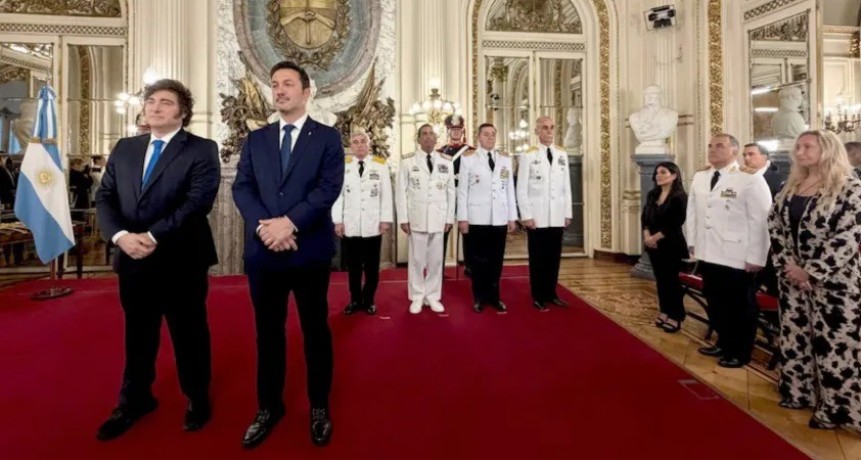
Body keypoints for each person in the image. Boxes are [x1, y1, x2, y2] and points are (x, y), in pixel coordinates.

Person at [94, 79, 220, 440]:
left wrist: (151, 236)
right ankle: (134, 400)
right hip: (132, 259)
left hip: (181, 259)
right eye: (151, 100)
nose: (156, 106)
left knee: (189, 333)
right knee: (138, 335)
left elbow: (197, 203)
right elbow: (105, 197)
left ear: (182, 112)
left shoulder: (201, 149)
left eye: (166, 102)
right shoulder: (125, 147)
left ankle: (197, 396)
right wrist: (121, 237)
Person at [232, 60, 343, 448]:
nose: (279, 90)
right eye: (274, 84)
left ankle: (318, 407)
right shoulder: (257, 139)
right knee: (268, 334)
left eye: (288, 84)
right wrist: (267, 226)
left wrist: (289, 224)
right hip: (265, 254)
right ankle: (268, 407)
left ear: (306, 91)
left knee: (315, 332)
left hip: (308, 251)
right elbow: (242, 188)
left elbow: (327, 189)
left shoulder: (327, 138)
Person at [768, 129, 861, 431]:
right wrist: (789, 267)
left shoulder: (849, 188)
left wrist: (813, 271)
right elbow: (774, 227)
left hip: (835, 284)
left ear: (828, 150)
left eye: (808, 146)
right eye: (798, 146)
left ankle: (838, 409)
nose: (800, 151)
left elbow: (848, 236)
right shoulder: (789, 185)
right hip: (792, 280)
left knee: (835, 345)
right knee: (795, 338)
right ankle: (798, 392)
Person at [685, 133, 772, 368]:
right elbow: (692, 213)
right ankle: (723, 342)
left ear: (734, 150)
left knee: (740, 307)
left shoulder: (748, 178)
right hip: (708, 251)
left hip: (737, 255)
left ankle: (740, 352)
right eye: (710, 146)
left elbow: (761, 220)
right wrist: (692, 243)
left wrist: (756, 256)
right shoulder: (701, 176)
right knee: (716, 302)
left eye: (720, 146)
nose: (713, 150)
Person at [457, 123, 517, 313]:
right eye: (486, 134)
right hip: (477, 218)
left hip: (498, 217)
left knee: (496, 261)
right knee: (478, 261)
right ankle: (479, 298)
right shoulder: (469, 159)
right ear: (478, 137)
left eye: (493, 134)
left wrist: (512, 217)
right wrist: (463, 219)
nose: (490, 138)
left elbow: (509, 190)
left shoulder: (504, 159)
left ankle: (495, 297)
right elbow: (462, 192)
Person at [332, 128, 393, 315]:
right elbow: (338, 197)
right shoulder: (343, 166)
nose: (359, 145)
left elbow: (386, 196)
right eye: (356, 142)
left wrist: (385, 220)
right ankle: (355, 300)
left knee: (372, 268)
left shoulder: (380, 165)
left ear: (368, 144)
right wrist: (338, 221)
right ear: (351, 146)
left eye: (362, 141)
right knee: (354, 268)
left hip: (372, 225)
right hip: (351, 225)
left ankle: (369, 300)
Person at [396, 123, 455, 314]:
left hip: (438, 218)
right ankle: (417, 296)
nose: (428, 137)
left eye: (431, 134)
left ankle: (433, 296)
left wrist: (449, 218)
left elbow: (451, 192)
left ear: (436, 139)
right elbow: (400, 193)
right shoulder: (408, 161)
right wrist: (403, 218)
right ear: (419, 138)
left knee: (436, 261)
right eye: (424, 134)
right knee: (416, 261)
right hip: (417, 217)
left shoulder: (446, 161)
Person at [515, 116, 572, 311]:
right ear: (536, 131)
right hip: (537, 216)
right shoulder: (529, 155)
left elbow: (566, 187)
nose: (549, 131)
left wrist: (568, 212)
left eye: (551, 128)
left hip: (556, 215)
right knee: (538, 258)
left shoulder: (562, 153)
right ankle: (538, 295)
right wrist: (526, 215)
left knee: (554, 257)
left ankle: (551, 293)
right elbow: (521, 188)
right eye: (544, 128)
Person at [641, 162, 688, 332]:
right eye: (657, 173)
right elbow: (645, 217)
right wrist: (647, 235)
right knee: (661, 281)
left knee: (672, 282)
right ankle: (665, 311)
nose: (658, 175)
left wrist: (655, 237)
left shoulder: (680, 197)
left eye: (663, 172)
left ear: (674, 175)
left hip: (671, 245)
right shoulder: (653, 194)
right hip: (654, 246)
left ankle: (676, 315)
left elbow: (676, 222)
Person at [438, 114, 473, 275]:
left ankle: (470, 265)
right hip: (446, 195)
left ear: (463, 130)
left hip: (466, 194)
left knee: (468, 232)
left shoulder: (471, 151)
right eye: (453, 130)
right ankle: (439, 267)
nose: (456, 132)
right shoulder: (440, 152)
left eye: (459, 129)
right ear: (448, 131)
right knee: (443, 231)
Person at [628, 85, 678, 153]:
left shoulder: (671, 115)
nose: (649, 96)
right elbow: (639, 135)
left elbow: (665, 132)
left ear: (660, 96)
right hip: (643, 148)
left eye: (653, 93)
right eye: (646, 94)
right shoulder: (634, 117)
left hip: (660, 147)